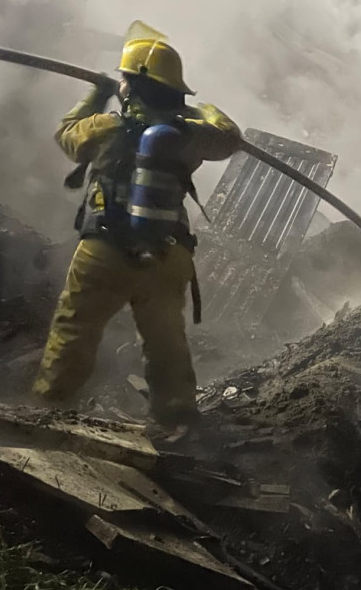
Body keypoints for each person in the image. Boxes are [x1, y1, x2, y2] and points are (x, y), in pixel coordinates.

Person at [33, 33, 241, 439]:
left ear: (131, 85)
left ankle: (49, 409)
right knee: (165, 337)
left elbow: (67, 134)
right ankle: (177, 416)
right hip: (168, 254)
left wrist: (97, 94)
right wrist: (196, 108)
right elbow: (230, 136)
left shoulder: (107, 126)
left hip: (105, 249)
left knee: (75, 329)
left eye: (124, 78)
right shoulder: (191, 135)